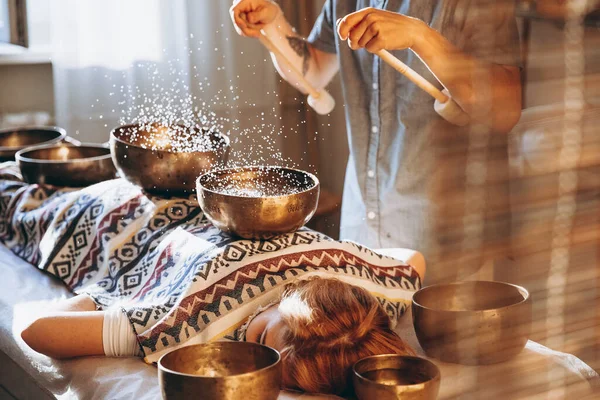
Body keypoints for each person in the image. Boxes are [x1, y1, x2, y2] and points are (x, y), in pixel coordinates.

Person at [230, 0, 522, 281]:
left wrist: (420, 36)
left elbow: (505, 109)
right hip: (363, 229)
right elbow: (315, 70)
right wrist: (274, 24)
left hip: (447, 241)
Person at [21, 276, 418, 396]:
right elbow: (35, 330)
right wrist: (106, 292)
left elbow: (410, 260)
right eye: (262, 338)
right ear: (291, 297)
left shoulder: (374, 303)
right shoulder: (205, 313)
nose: (247, 346)